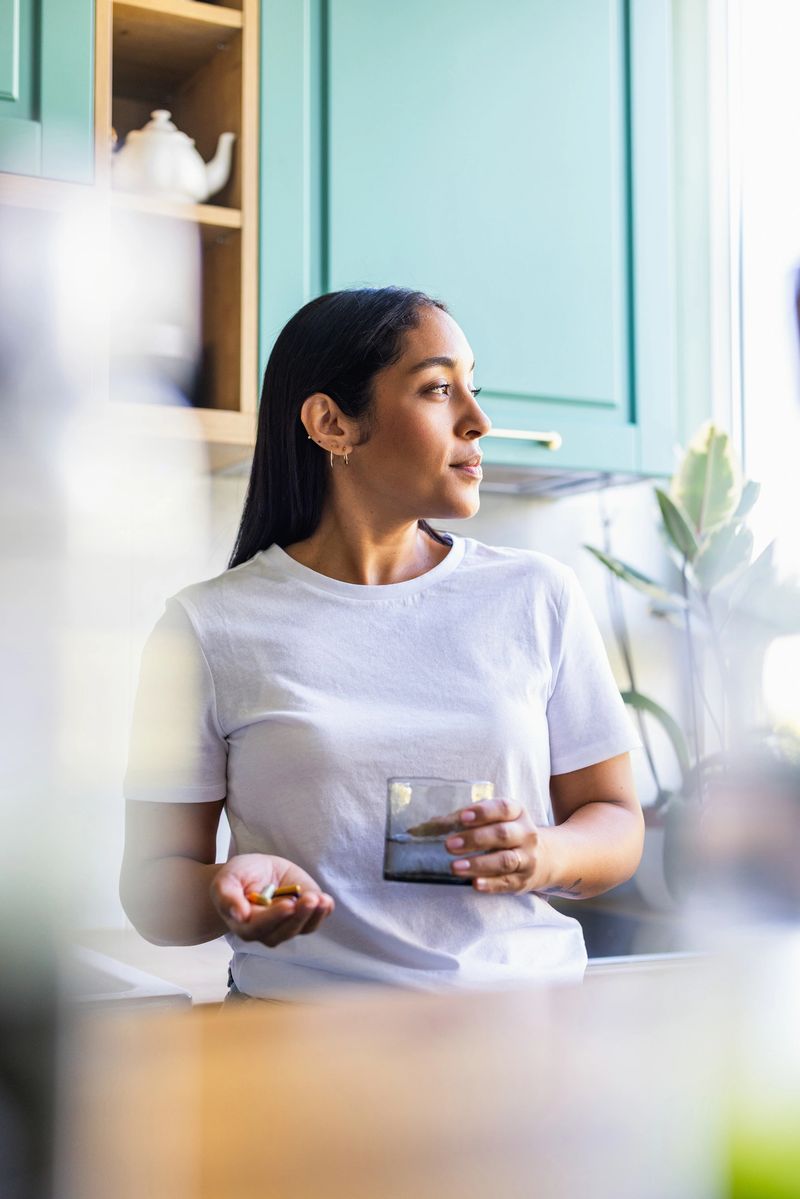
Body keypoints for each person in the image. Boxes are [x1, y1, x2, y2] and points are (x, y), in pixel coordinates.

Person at [120, 286, 644, 1004]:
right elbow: (151, 885)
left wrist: (543, 853)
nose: (479, 420)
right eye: (437, 388)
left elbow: (617, 822)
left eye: (472, 387)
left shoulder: (537, 595)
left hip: (526, 1032)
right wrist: (218, 888)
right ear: (332, 422)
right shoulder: (207, 628)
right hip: (301, 1044)